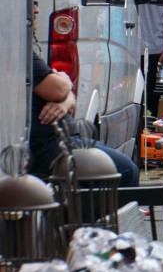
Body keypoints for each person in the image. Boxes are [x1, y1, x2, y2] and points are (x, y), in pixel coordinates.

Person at [30, 51, 140, 187]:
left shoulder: (24, 47)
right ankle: (99, 208)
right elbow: (59, 89)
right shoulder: (20, 48)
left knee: (122, 164)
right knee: (126, 170)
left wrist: (65, 100)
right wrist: (65, 80)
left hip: (60, 139)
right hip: (44, 146)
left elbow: (65, 94)